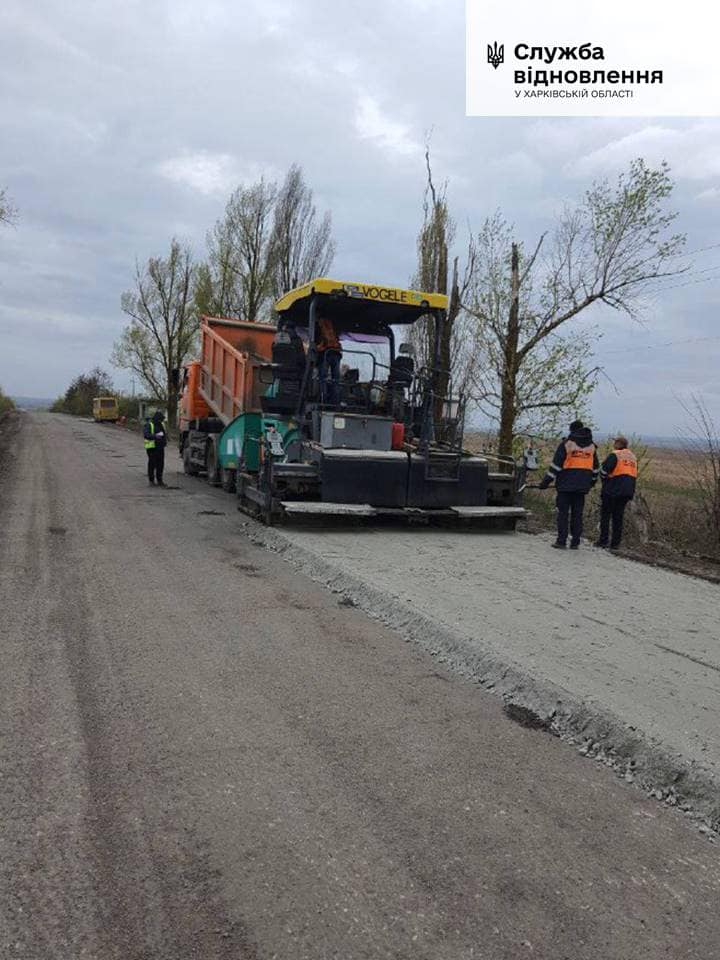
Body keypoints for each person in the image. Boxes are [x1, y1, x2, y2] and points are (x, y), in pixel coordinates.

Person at [537, 419, 599, 549]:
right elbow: (595, 469)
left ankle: (561, 541)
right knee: (577, 515)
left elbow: (555, 466)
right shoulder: (592, 446)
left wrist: (545, 483)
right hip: (582, 487)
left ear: (571, 430)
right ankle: (575, 542)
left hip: (565, 485)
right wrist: (591, 483)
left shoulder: (567, 444)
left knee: (563, 514)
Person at [596, 436, 637, 551]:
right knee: (618, 517)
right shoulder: (633, 457)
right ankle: (615, 544)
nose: (614, 444)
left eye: (615, 442)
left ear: (619, 444)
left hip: (612, 489)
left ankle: (603, 540)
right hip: (627, 491)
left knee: (606, 515)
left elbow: (604, 471)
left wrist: (604, 480)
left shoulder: (615, 455)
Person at [315, 308, 342, 405]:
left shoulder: (320, 324)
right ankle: (336, 400)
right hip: (337, 352)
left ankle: (323, 399)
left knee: (322, 377)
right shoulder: (333, 324)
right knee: (336, 378)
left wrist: (317, 349)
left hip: (327, 352)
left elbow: (321, 342)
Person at [143, 409, 167, 486]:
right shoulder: (149, 425)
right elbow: (146, 435)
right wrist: (155, 436)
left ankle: (160, 480)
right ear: (157, 418)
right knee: (152, 464)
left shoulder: (162, 425)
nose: (161, 421)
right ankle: (151, 481)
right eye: (160, 419)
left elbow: (164, 434)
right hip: (152, 448)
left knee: (160, 464)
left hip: (160, 448)